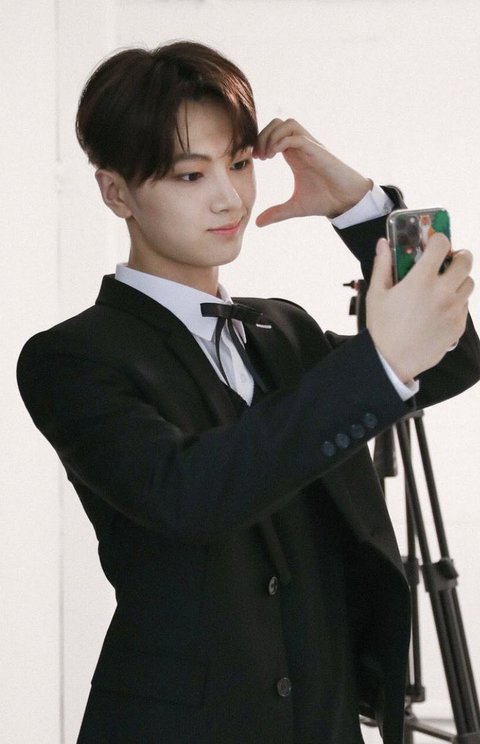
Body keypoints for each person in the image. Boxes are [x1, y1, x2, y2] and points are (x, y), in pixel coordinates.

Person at [17, 41, 479, 744]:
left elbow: (452, 358)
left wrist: (359, 207)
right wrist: (378, 362)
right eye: (190, 174)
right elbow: (190, 493)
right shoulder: (72, 357)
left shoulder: (283, 329)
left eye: (238, 164)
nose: (229, 197)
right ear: (116, 193)